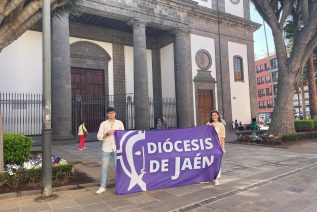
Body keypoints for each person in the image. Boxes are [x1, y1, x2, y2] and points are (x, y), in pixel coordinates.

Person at [96, 107, 124, 194]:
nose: (111, 114)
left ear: (115, 113)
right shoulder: (103, 124)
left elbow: (123, 135)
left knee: (118, 167)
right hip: (106, 148)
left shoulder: (119, 123)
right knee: (104, 168)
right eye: (109, 113)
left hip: (116, 148)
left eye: (113, 113)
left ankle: (120, 185)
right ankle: (102, 186)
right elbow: (99, 137)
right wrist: (108, 133)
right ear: (107, 114)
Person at [207, 110, 226, 186]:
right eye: (212, 115)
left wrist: (222, 147)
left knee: (217, 162)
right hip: (209, 146)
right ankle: (210, 177)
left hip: (217, 146)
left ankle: (217, 178)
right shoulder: (209, 124)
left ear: (218, 116)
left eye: (215, 115)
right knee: (209, 162)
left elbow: (222, 137)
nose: (214, 116)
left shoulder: (221, 125)